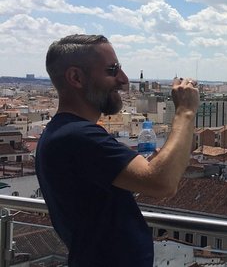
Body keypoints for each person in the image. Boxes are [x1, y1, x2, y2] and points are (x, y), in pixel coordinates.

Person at [36, 34, 200, 267]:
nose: (124, 80)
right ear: (76, 77)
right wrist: (185, 111)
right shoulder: (77, 136)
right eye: (112, 70)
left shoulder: (63, 132)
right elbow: (161, 182)